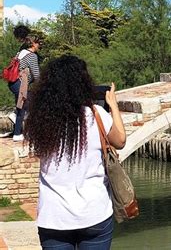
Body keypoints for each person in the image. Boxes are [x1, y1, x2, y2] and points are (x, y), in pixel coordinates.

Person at [24, 55, 126, 249]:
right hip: (94, 213)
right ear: (83, 82)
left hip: (54, 216)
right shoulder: (96, 114)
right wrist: (113, 105)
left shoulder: (39, 120)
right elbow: (120, 140)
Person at [8, 34, 41, 141]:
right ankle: (17, 134)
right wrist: (43, 85)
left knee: (22, 105)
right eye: (38, 43)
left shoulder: (21, 52)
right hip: (20, 83)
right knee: (22, 107)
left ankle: (14, 119)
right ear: (33, 44)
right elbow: (36, 74)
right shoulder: (32, 55)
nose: (39, 46)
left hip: (13, 82)